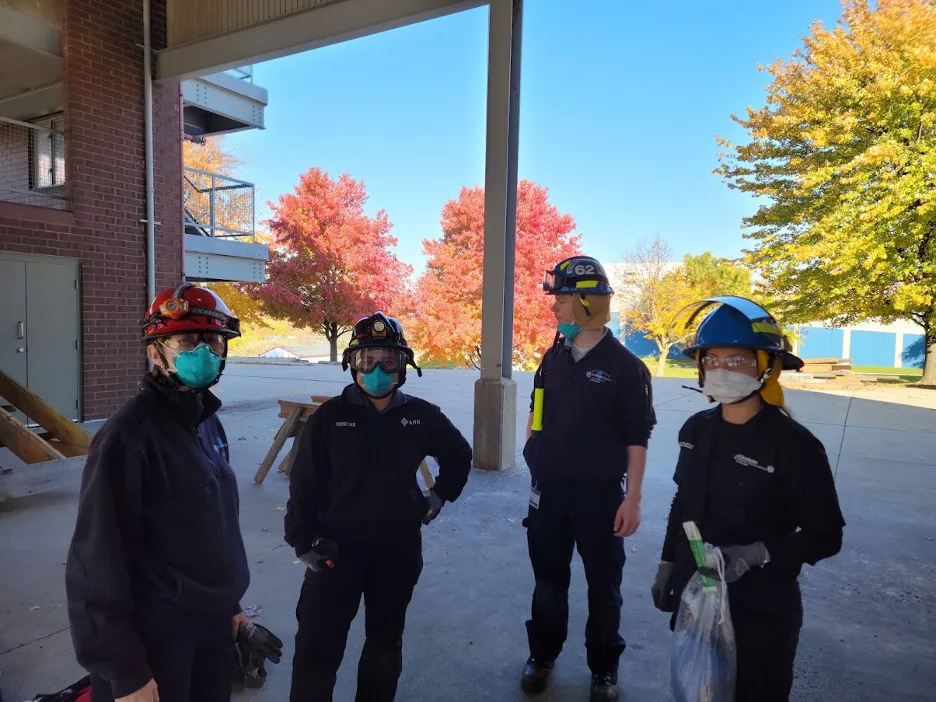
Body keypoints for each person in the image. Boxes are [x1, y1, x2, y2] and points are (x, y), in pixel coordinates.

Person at [651, 296, 846, 702]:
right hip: (698, 591)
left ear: (767, 367)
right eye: (712, 359)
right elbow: (682, 505)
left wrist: (758, 553)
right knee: (699, 690)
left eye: (736, 360)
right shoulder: (695, 430)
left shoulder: (795, 447)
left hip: (762, 610)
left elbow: (827, 535)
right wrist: (668, 564)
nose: (721, 370)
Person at [65, 282, 250, 702]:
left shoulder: (206, 421)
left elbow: (216, 530)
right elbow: (96, 560)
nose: (203, 352)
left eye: (213, 341)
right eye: (186, 340)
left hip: (213, 622)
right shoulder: (129, 437)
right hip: (158, 635)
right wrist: (124, 670)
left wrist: (231, 604)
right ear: (155, 351)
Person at [284, 311, 473, 702]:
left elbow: (459, 454)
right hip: (333, 552)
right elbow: (304, 486)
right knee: (318, 648)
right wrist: (302, 542)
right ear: (352, 364)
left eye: (388, 360)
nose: (377, 370)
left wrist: (438, 497)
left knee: (384, 648)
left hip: (396, 553)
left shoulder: (420, 417)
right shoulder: (329, 420)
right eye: (367, 360)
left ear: (404, 366)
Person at [520, 256, 657, 702]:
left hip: (600, 499)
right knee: (548, 582)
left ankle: (603, 670)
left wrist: (632, 498)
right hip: (549, 496)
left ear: (586, 301)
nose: (554, 306)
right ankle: (542, 655)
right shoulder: (554, 355)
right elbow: (536, 411)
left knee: (604, 588)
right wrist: (533, 453)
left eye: (560, 298)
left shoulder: (625, 367)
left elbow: (637, 437)